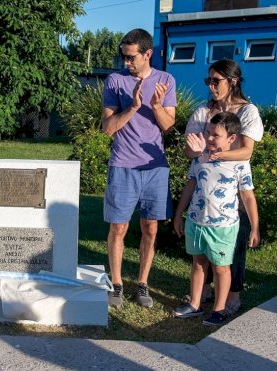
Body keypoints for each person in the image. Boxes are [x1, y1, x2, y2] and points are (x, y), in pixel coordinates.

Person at [101, 28, 177, 308]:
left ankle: (142, 284)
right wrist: (132, 107)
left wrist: (155, 105)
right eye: (124, 57)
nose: (126, 63)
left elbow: (168, 126)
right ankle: (117, 284)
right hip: (123, 165)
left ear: (148, 54)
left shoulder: (166, 80)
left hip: (155, 168)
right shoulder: (114, 81)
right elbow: (108, 128)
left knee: (150, 228)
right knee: (118, 228)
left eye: (131, 58)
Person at [183, 59, 264, 317]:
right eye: (208, 80)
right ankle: (202, 294)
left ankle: (232, 295)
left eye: (216, 81)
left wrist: (212, 156)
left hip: (232, 184)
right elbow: (190, 151)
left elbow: (246, 151)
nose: (211, 86)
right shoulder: (201, 111)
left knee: (233, 246)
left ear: (233, 81)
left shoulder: (248, 112)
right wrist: (198, 153)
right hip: (205, 186)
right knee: (203, 249)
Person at [173, 112, 260, 326]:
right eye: (208, 133)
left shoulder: (240, 164)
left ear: (232, 138)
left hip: (223, 227)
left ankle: (219, 309)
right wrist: (179, 214)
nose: (210, 138)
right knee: (198, 262)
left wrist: (255, 228)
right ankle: (194, 304)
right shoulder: (199, 156)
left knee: (221, 268)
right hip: (196, 222)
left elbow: (247, 196)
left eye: (216, 135)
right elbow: (191, 185)